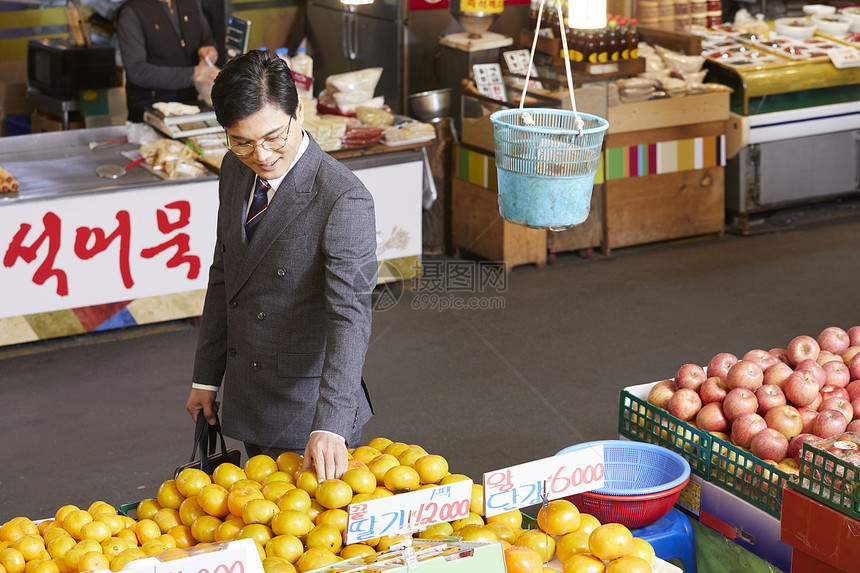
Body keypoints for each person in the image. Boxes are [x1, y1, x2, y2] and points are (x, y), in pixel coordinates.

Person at [185, 50, 377, 481]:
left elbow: (351, 316)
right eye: (242, 141)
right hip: (248, 396)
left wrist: (330, 424)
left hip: (309, 413)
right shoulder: (234, 170)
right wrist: (207, 377)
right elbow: (224, 273)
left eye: (274, 136)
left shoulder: (342, 198)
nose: (262, 154)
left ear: (300, 111)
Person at [116, 0, 220, 122]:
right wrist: (192, 74)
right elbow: (137, 71)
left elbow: (206, 38)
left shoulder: (191, 3)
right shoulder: (131, 12)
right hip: (151, 111)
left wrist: (208, 49)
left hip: (192, 106)